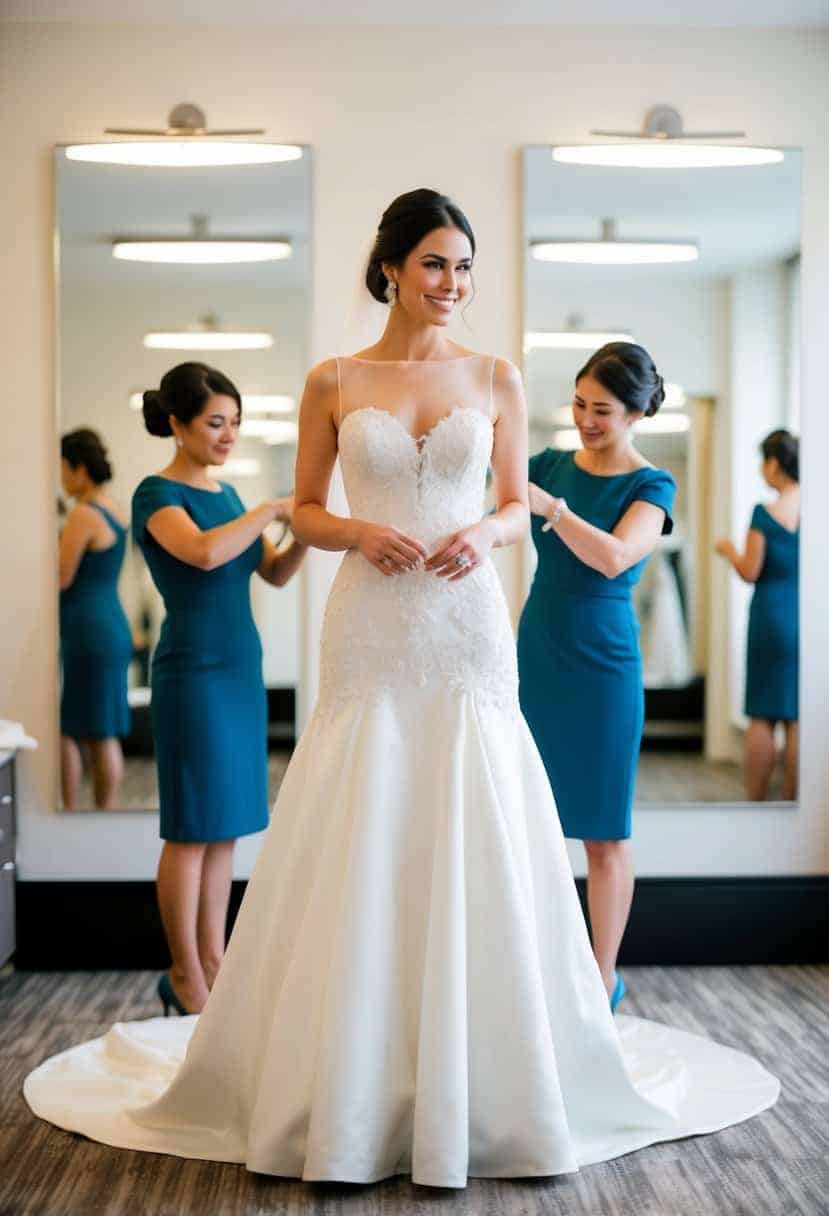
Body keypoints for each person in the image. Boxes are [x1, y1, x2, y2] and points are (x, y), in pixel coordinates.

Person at [25, 191, 777, 1188]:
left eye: (462, 266)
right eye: (433, 263)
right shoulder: (336, 377)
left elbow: (516, 504)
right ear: (389, 267)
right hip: (370, 623)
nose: (451, 284)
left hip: (466, 627)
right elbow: (299, 506)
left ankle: (490, 1068)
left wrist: (489, 532)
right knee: (361, 804)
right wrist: (352, 531)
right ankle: (343, 1077)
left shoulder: (496, 376)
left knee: (472, 801)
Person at [132, 362, 306, 1016]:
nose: (228, 435)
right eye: (215, 423)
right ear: (176, 425)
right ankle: (184, 973)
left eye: (235, 423)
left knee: (226, 828)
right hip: (194, 671)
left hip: (239, 669)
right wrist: (269, 505)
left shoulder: (230, 498)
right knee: (190, 828)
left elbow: (274, 573)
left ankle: (216, 963)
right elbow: (202, 554)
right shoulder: (157, 494)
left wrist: (303, 535)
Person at [517, 343, 675, 1013]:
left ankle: (599, 981)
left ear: (636, 412)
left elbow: (613, 558)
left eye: (601, 410)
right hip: (538, 647)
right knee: (524, 822)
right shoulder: (545, 464)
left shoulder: (650, 486)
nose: (585, 419)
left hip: (605, 662)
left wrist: (550, 508)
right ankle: (530, 973)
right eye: (578, 404)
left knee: (603, 832)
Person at [715, 429, 799, 800]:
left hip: (770, 616)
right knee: (798, 715)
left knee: (763, 714)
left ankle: (755, 802)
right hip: (806, 619)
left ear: (775, 463)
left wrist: (729, 550)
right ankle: (795, 799)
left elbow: (751, 570)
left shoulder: (764, 514)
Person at [59, 428, 133, 810]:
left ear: (79, 470)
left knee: (70, 727)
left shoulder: (84, 514)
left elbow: (61, 577)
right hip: (110, 623)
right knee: (103, 728)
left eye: (63, 469)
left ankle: (70, 811)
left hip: (86, 628)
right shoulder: (116, 508)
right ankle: (105, 809)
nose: (60, 478)